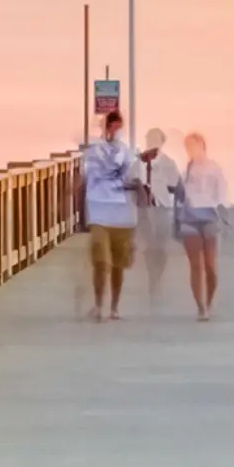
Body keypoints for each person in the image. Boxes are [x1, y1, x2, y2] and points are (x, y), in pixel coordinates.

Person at [81, 109, 138, 321]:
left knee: (118, 265)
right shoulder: (94, 152)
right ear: (105, 128)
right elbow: (84, 179)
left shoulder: (128, 153)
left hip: (121, 214)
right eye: (111, 126)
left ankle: (114, 307)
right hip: (98, 212)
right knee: (101, 261)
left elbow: (135, 180)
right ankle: (98, 304)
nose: (115, 130)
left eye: (118, 127)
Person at [176, 133, 229, 318]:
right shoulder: (186, 171)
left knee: (210, 266)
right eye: (187, 147)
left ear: (202, 146)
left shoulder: (213, 168)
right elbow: (181, 197)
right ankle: (200, 307)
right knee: (195, 266)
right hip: (190, 218)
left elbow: (221, 193)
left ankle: (209, 300)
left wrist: (222, 214)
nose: (191, 150)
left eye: (193, 145)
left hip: (209, 217)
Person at [137, 127, 182, 303]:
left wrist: (160, 186)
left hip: (162, 209)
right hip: (144, 210)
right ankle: (151, 277)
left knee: (161, 248)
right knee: (149, 247)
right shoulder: (139, 162)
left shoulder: (168, 163)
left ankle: (158, 276)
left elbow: (176, 186)